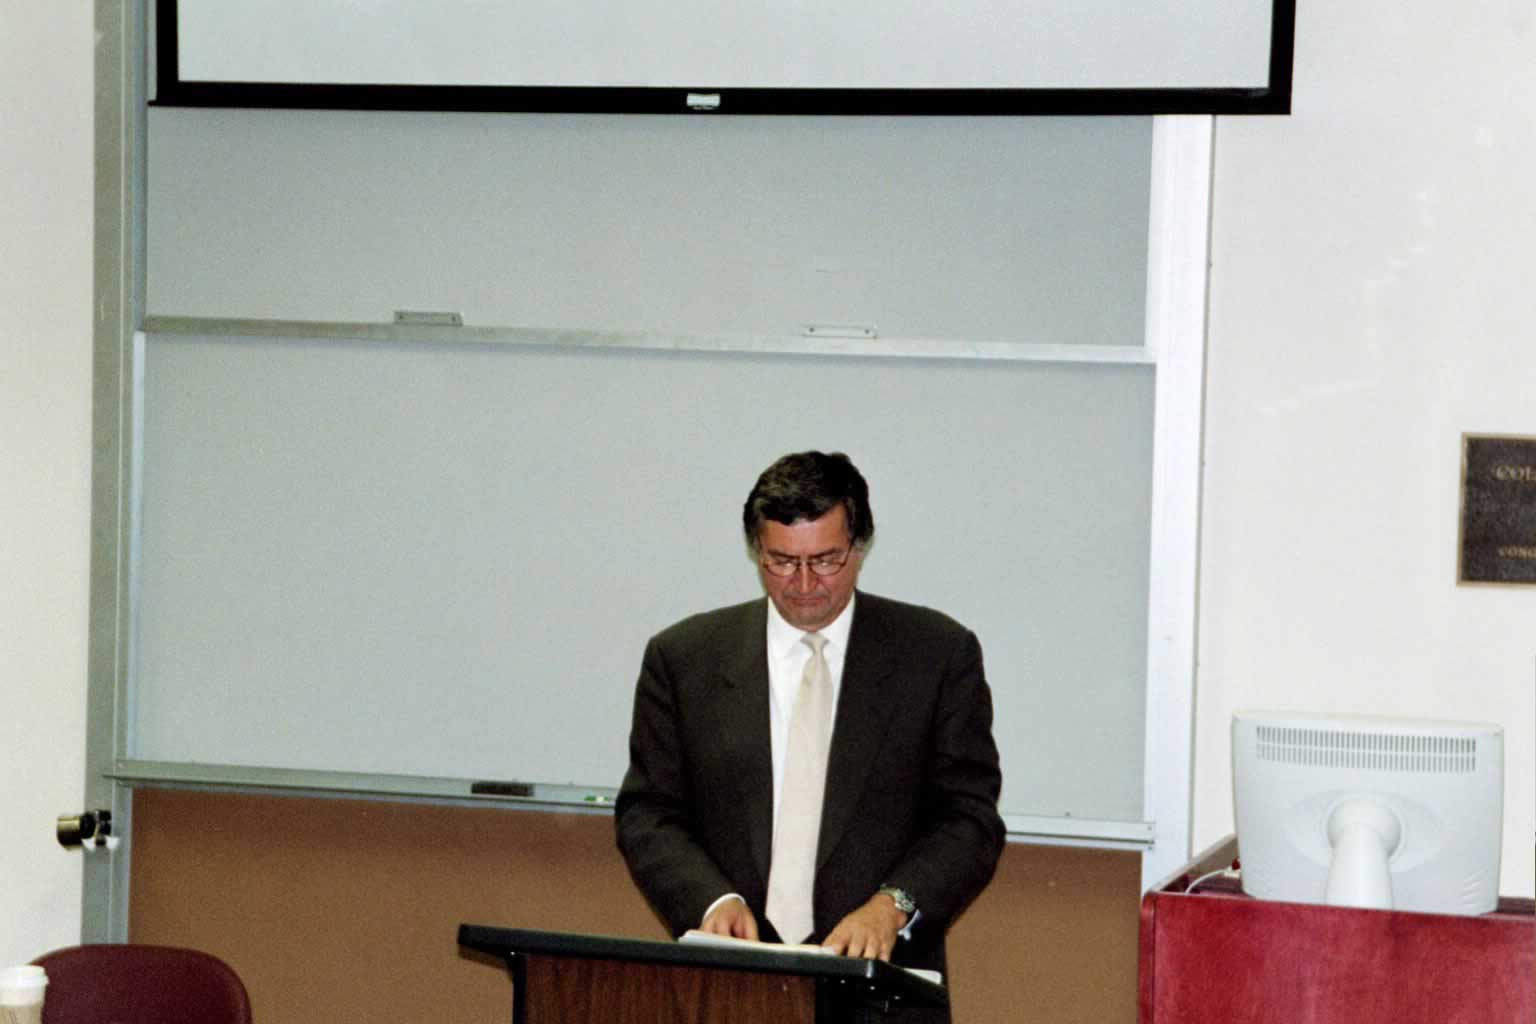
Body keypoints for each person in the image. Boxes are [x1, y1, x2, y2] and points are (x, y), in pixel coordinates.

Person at [615, 451, 1004, 999]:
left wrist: (894, 906)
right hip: (729, 987)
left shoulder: (935, 655)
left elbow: (969, 821)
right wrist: (709, 901)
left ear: (860, 548)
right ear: (756, 551)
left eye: (825, 560)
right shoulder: (684, 659)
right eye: (781, 561)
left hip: (880, 988)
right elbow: (648, 813)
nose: (803, 584)